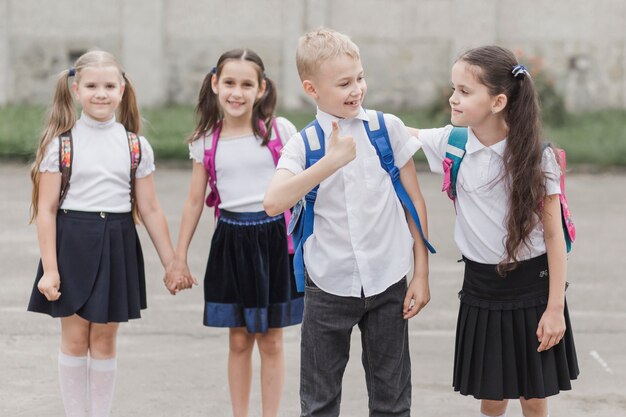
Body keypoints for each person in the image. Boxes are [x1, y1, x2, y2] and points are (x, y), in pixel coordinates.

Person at [263, 28, 431, 417]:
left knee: (392, 401)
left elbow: (414, 203)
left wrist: (421, 273)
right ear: (312, 88)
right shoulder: (304, 145)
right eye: (343, 83)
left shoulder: (386, 129)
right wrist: (329, 163)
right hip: (328, 286)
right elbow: (273, 202)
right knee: (319, 403)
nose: (356, 89)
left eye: (359, 77)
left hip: (388, 281)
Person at [407, 45, 579, 417]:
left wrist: (555, 309)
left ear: (498, 101)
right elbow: (401, 133)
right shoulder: (452, 143)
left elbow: (554, 237)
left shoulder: (537, 157)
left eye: (465, 92)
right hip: (481, 287)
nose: (453, 99)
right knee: (492, 392)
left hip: (533, 287)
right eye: (453, 88)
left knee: (533, 396)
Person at [27, 50, 193, 417]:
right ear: (76, 89)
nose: (100, 93)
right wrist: (51, 269)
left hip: (117, 241)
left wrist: (172, 263)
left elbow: (149, 209)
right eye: (91, 86)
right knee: (74, 338)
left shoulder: (135, 146)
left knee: (104, 337)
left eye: (108, 86)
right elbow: (47, 210)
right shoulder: (61, 145)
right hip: (71, 244)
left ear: (122, 89)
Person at [168, 48, 303, 417]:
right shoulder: (205, 140)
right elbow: (195, 201)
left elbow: (302, 187)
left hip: (276, 241)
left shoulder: (280, 131)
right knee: (239, 339)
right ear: (215, 84)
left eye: (247, 84)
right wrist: (178, 258)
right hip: (231, 242)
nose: (236, 92)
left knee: (272, 340)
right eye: (229, 82)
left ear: (262, 89)